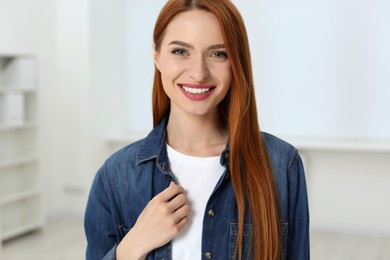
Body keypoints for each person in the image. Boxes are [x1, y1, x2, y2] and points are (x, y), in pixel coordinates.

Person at [84, 0, 310, 259]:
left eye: (218, 54)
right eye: (180, 51)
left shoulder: (282, 165)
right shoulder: (115, 177)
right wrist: (132, 246)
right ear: (157, 57)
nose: (199, 73)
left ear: (236, 62)